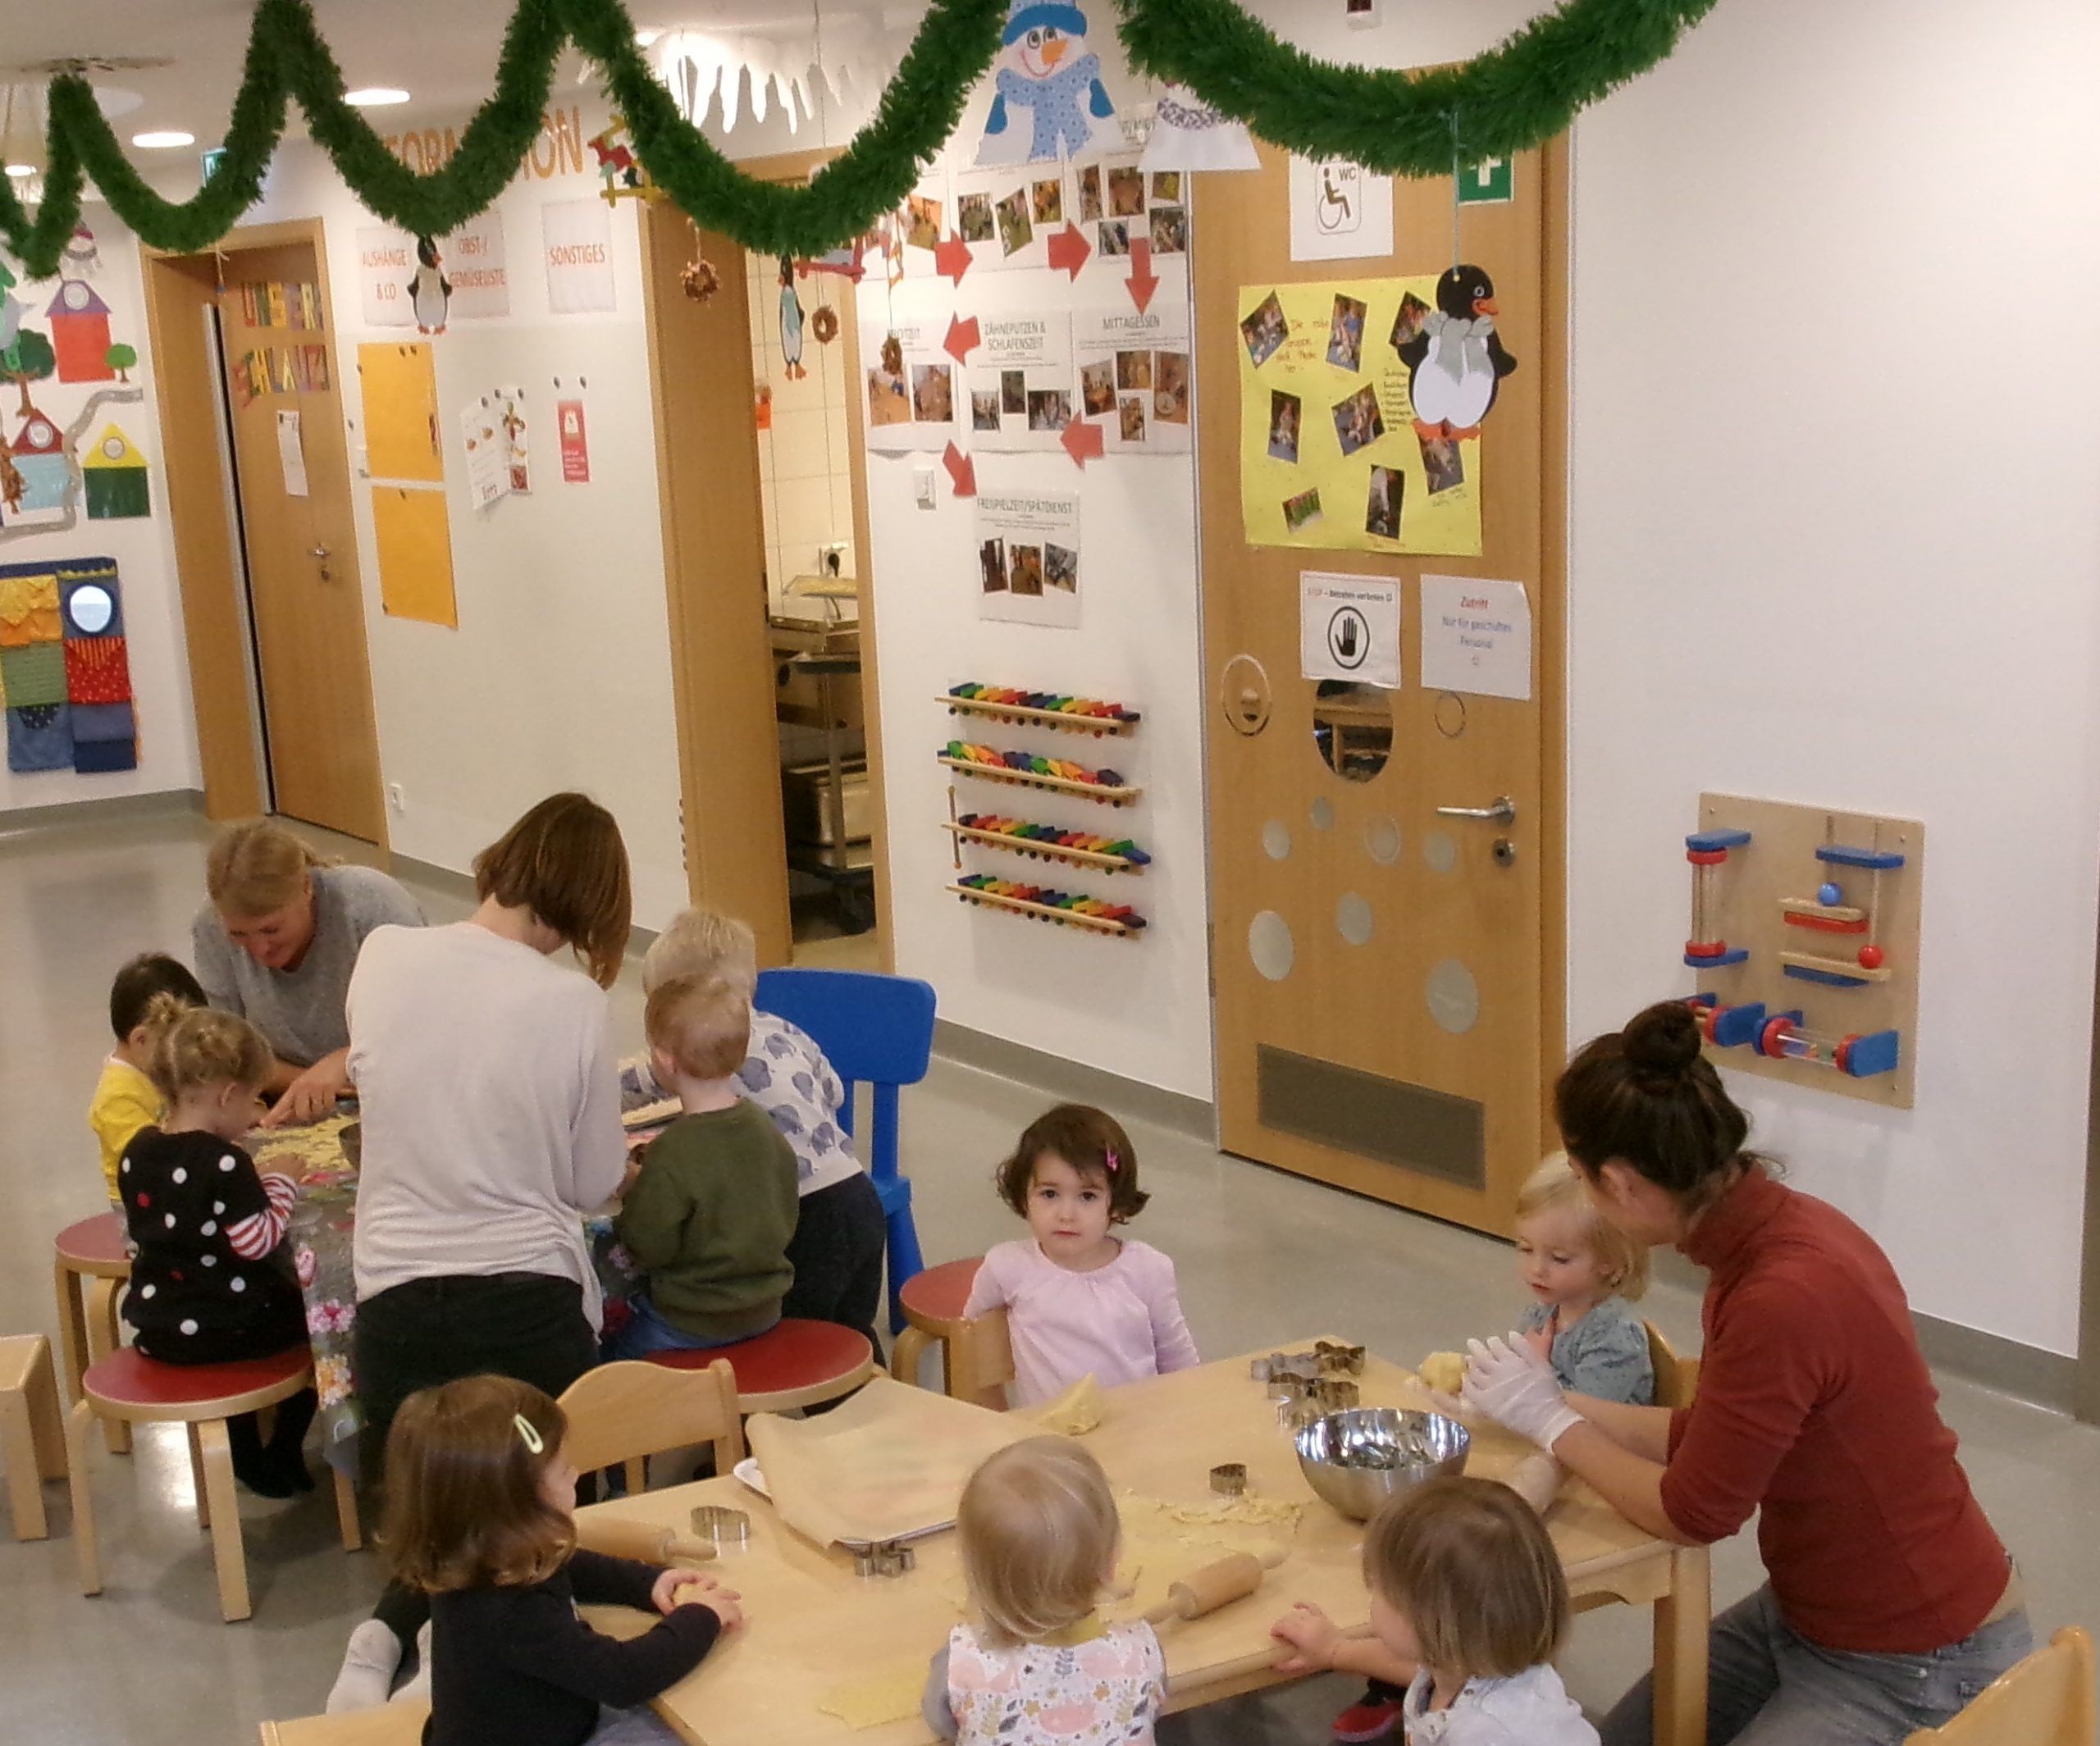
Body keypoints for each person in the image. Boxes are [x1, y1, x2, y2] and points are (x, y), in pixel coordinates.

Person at [1457, 1000, 2028, 1745]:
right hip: (1807, 1614)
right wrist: (1558, 1399)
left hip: (1916, 1655)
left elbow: (1694, 1510)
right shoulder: (1770, 1237)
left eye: (1584, 1180)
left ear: (1624, 1185)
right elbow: (1716, 1433)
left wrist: (1552, 1422)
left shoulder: (1780, 1293)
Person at [331, 794, 632, 1711]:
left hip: (394, 1301)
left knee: (436, 1517)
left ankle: (383, 1633)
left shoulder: (382, 954)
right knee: (523, 1526)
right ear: (590, 904)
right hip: (526, 1307)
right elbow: (591, 1185)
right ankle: (436, 1671)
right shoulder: (573, 1002)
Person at [1333, 1156, 1656, 1742]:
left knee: (1457, 1559)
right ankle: (1400, 1684)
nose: (1536, 1268)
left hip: (1589, 1486)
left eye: (1559, 1258)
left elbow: (1581, 1431)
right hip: (1538, 1460)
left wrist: (1530, 1397)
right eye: (1524, 1248)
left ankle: (1397, 1676)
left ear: (1612, 1261)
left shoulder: (1614, 1337)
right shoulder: (1545, 1311)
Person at [360, 1374, 740, 1746]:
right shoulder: (506, 1612)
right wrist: (702, 1617)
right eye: (561, 1471)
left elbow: (568, 1563)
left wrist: (644, 1582)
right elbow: (623, 1676)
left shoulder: (486, 1553)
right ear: (516, 1506)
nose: (575, 1475)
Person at [631, 908, 887, 1358]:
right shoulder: (787, 1031)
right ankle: (877, 1406)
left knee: (806, 1344)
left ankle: (808, 1419)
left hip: (804, 1215)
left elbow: (640, 1082)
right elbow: (833, 1092)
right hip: (858, 1195)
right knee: (848, 1332)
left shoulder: (703, 1046)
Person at [117, 996, 314, 1496]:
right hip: (229, 1326)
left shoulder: (138, 1150)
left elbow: (180, 1218)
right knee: (320, 1329)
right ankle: (285, 1446)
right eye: (253, 1100)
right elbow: (256, 1240)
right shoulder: (224, 1162)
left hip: (161, 1325)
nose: (254, 1116)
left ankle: (246, 1450)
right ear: (227, 1095)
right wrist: (283, 1184)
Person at [1271, 1475, 1597, 1745]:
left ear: (1426, 1620)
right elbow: (1414, 1669)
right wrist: (1335, 1650)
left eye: (1379, 1590)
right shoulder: (1468, 1662)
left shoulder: (1486, 1733)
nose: (1370, 1597)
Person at [922, 1437, 1165, 1746]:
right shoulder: (1143, 1652)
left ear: (976, 1577)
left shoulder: (959, 1663)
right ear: (1110, 1560)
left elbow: (940, 1720)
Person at [606, 974, 799, 1360]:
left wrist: (632, 1199)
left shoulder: (674, 1152)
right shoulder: (766, 1129)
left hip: (688, 1320)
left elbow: (648, 1247)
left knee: (605, 1362)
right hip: (765, 1309)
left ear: (663, 1060)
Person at [961, 1105, 1199, 1407]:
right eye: (1049, 1194)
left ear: (1115, 1204)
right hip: (1050, 1440)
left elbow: (1179, 1361)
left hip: (1141, 1432)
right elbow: (970, 1336)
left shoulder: (1148, 1270)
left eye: (1087, 1196)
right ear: (1024, 1197)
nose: (1066, 1214)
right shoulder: (1007, 1267)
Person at [190, 821, 424, 1128]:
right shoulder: (210, 927)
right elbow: (226, 1050)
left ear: (306, 888)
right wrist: (307, 1085)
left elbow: (427, 1023)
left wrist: (342, 1062)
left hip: (394, 1086)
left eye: (271, 929)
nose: (259, 949)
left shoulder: (371, 905)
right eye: (239, 935)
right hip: (282, 1098)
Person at [88, 951, 206, 1204]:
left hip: (182, 1182)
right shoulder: (117, 1097)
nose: (188, 1054)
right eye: (181, 1044)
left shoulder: (162, 1067)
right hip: (145, 1205)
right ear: (141, 1040)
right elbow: (150, 1163)